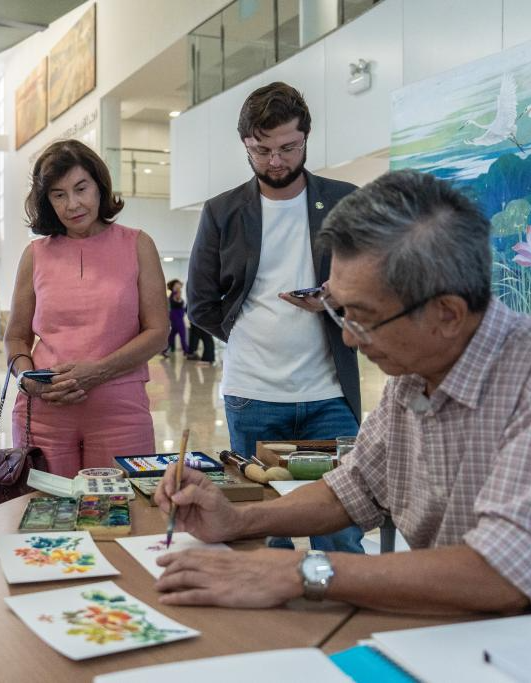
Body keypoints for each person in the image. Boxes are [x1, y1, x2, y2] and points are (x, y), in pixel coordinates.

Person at [154, 170, 531, 614]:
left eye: (362, 317)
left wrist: (301, 570)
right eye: (340, 312)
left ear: (447, 314)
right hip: (458, 626)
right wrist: (239, 521)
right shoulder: (412, 374)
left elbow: (505, 573)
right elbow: (353, 488)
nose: (348, 338)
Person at [187, 81, 363, 553]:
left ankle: (346, 602)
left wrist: (334, 301)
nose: (276, 161)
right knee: (263, 533)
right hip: (253, 394)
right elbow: (200, 302)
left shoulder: (345, 201)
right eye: (261, 150)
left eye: (289, 147)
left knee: (341, 529)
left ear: (306, 138)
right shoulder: (223, 211)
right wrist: (248, 332)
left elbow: (376, 285)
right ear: (245, 145)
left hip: (330, 395)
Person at [5, 139, 168, 477]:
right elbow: (16, 337)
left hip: (121, 412)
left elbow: (157, 332)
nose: (72, 204)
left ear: (100, 186)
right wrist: (28, 381)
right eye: (58, 195)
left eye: (81, 188)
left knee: (123, 505)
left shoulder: (138, 244)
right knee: (44, 506)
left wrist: (99, 371)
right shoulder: (35, 254)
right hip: (44, 413)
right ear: (47, 201)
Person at [165, 279, 188, 356]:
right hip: (177, 319)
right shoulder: (175, 294)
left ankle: (165, 350)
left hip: (176, 318)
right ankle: (186, 351)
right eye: (177, 284)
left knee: (172, 336)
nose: (179, 286)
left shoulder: (174, 294)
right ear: (174, 286)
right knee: (182, 335)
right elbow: (178, 303)